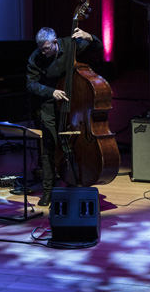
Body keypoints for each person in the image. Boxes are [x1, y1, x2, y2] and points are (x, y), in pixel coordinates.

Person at [26, 26, 103, 206]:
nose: (42, 51)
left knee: (75, 143)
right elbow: (30, 84)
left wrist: (89, 36)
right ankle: (48, 190)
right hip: (50, 103)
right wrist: (50, 91)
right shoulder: (36, 57)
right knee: (49, 146)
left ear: (54, 42)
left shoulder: (70, 45)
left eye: (46, 48)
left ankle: (76, 181)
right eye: (40, 48)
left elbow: (98, 47)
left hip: (74, 102)